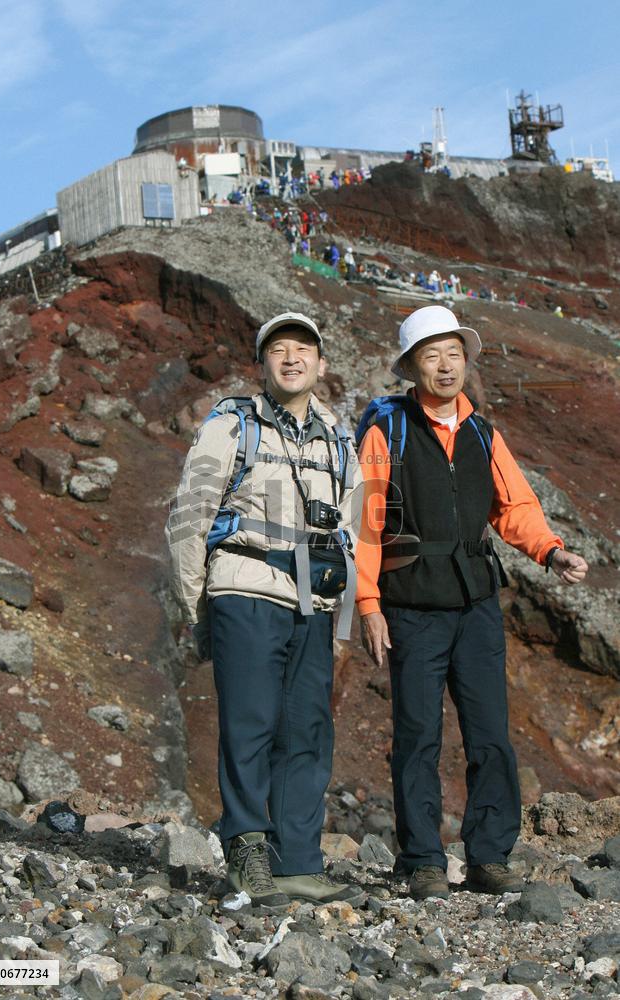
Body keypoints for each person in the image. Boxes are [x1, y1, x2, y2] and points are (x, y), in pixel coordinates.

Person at [354, 305, 588, 902]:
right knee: (417, 734)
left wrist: (550, 552)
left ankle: (489, 856)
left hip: (477, 602)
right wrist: (368, 602)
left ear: (466, 360)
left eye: (454, 353)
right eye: (431, 355)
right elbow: (366, 523)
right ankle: (422, 860)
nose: (445, 365)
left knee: (490, 735)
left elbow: (515, 508)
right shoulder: (388, 429)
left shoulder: (484, 433)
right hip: (411, 606)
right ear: (410, 367)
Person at [166, 313, 365, 910]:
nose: (291, 358)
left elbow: (353, 530)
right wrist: (196, 605)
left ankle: (297, 862)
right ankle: (247, 853)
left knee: (307, 730)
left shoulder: (338, 437)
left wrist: (344, 619)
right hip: (243, 588)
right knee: (249, 728)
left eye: (303, 348)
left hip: (313, 602)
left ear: (321, 365)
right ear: (262, 365)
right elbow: (189, 512)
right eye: (278, 349)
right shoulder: (232, 425)